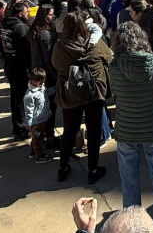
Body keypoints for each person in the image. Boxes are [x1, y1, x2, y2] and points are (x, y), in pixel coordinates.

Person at [109, 22, 153, 233]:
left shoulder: (114, 67)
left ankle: (131, 228)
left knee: (129, 183)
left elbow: (115, 93)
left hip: (126, 129)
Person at [53, 10, 112, 184]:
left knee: (69, 131)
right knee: (94, 130)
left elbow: (56, 65)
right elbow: (108, 57)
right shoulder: (95, 43)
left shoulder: (60, 46)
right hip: (93, 91)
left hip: (71, 93)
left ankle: (62, 168)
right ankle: (93, 169)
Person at [29, 4, 60, 149]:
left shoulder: (35, 30)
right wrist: (56, 75)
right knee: (49, 110)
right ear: (44, 16)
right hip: (47, 77)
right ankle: (49, 137)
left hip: (37, 74)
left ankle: (38, 140)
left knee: (41, 111)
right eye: (50, 15)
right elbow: (49, 59)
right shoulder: (45, 34)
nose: (53, 17)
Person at [2, 2, 33, 141]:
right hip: (18, 67)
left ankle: (17, 126)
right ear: (20, 14)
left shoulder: (6, 25)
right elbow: (26, 51)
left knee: (15, 97)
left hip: (9, 65)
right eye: (27, 12)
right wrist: (30, 69)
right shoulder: (20, 28)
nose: (28, 14)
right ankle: (21, 128)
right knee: (20, 98)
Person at [23, 68, 53, 164]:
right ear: (34, 82)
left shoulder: (41, 87)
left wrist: (57, 88)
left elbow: (48, 92)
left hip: (42, 118)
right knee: (38, 138)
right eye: (41, 82)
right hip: (36, 122)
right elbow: (29, 111)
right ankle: (40, 156)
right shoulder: (29, 96)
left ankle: (32, 151)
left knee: (35, 137)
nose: (43, 84)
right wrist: (29, 122)